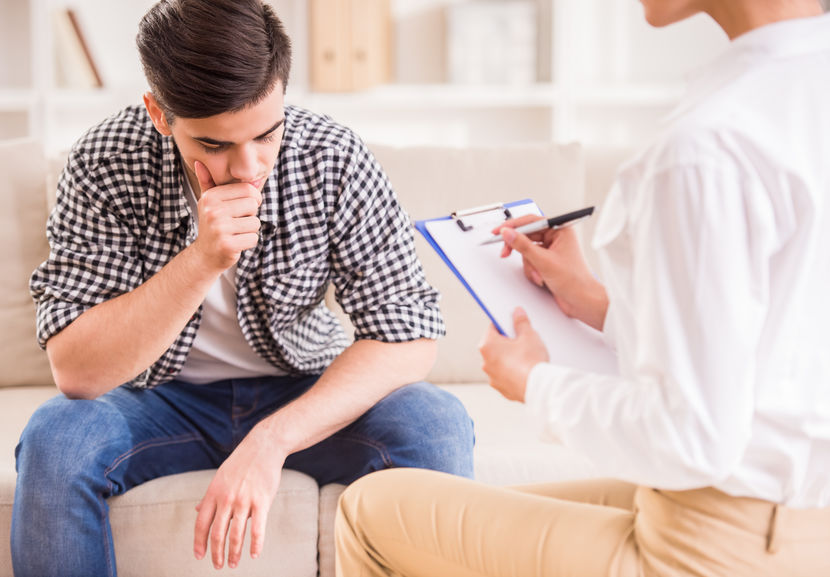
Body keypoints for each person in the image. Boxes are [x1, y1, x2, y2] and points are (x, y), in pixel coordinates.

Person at [335, 1, 830, 575]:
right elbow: (773, 342)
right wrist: (596, 305)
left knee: (371, 509)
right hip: (801, 522)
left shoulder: (706, 147)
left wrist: (535, 382)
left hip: (716, 543)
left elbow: (693, 438)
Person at [11, 1, 475, 575]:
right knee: (56, 438)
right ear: (160, 114)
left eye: (265, 134)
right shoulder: (106, 162)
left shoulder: (332, 156)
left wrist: (271, 440)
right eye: (214, 145)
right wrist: (202, 260)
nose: (249, 167)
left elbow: (409, 335)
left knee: (435, 421)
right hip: (156, 400)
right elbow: (77, 373)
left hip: (300, 389)